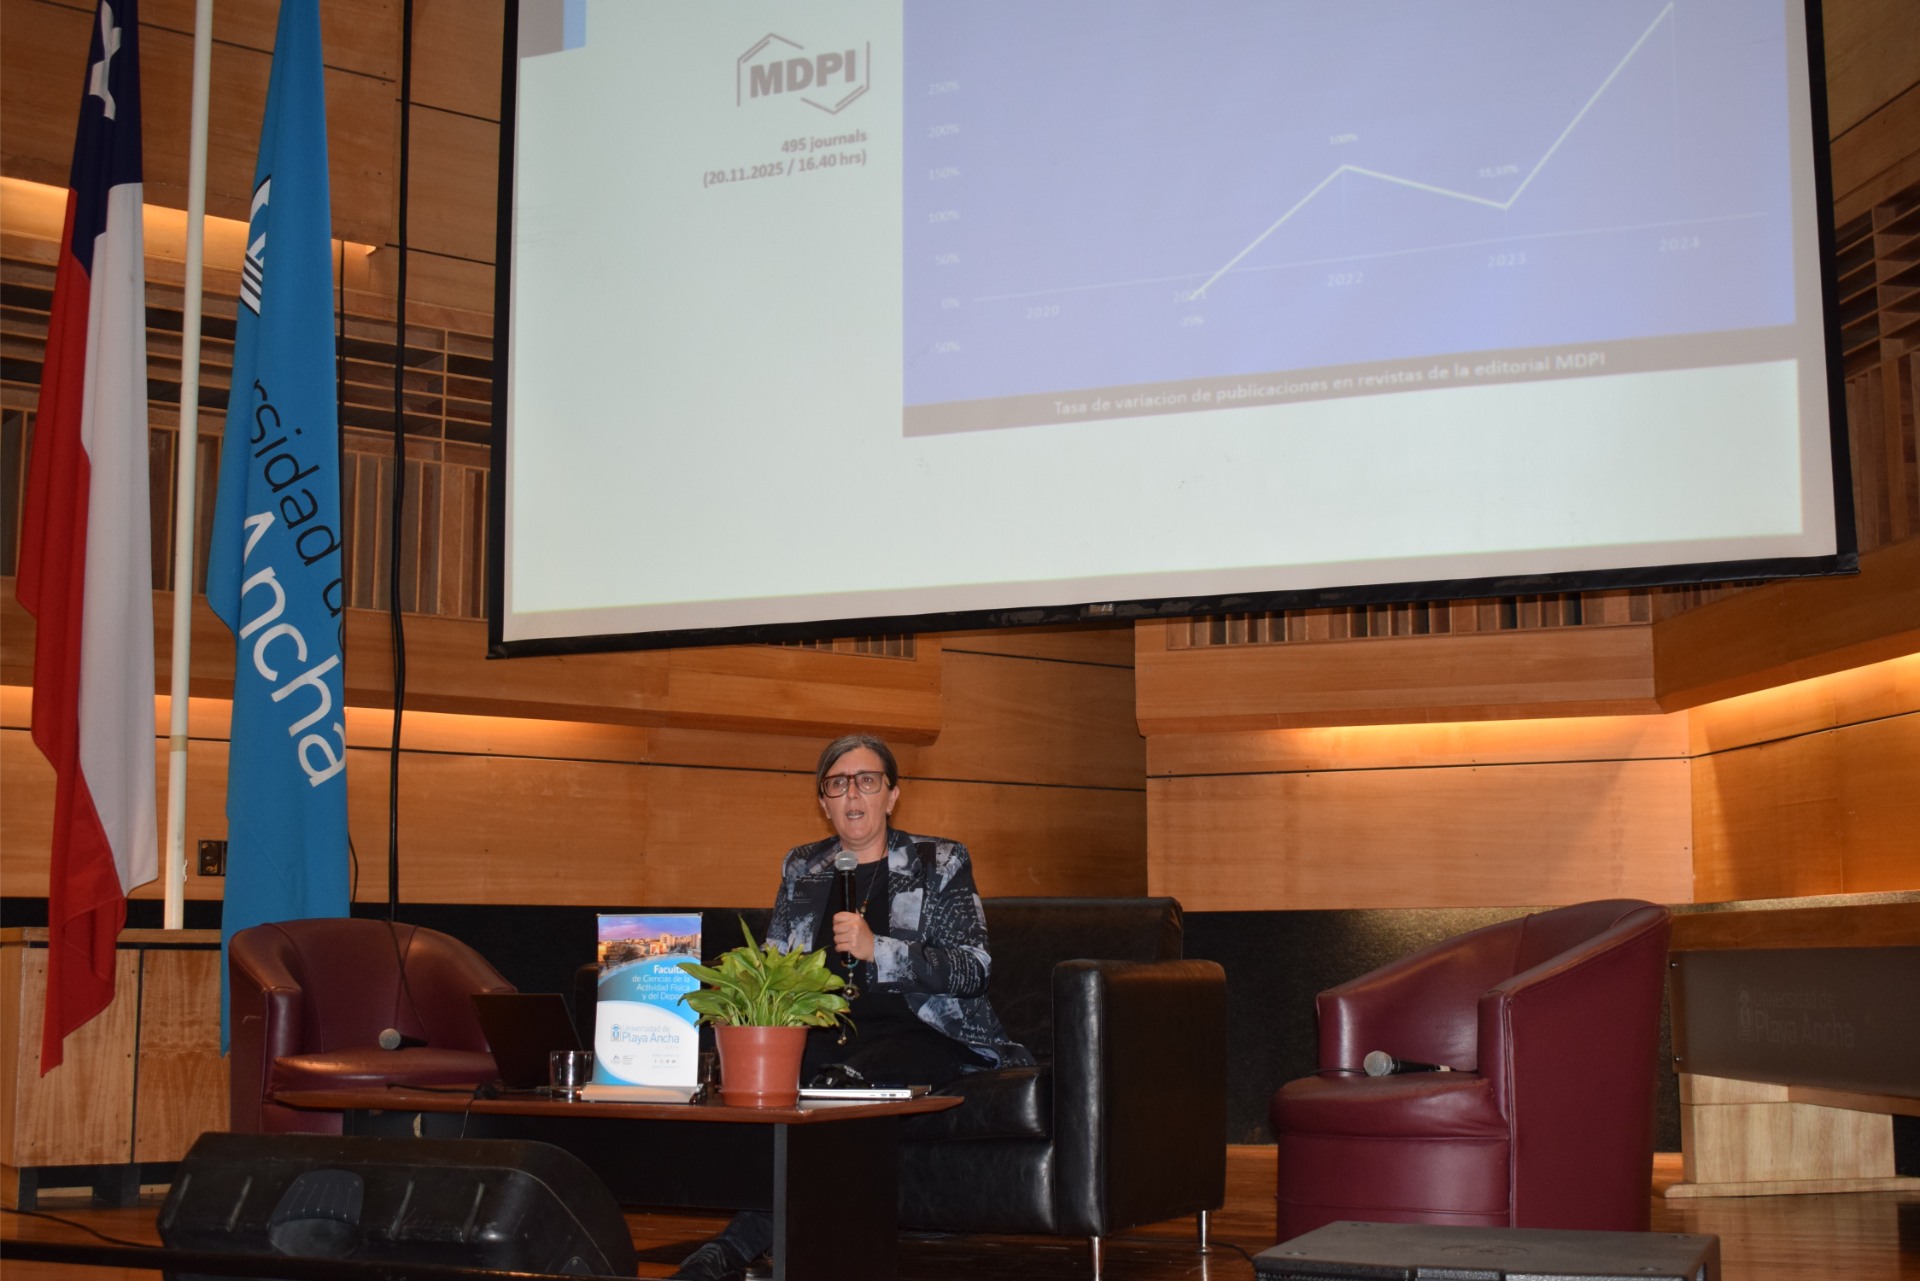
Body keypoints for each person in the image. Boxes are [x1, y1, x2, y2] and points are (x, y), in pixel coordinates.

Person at [671, 733, 1030, 1281]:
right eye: (837, 784)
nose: (852, 794)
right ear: (824, 801)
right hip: (830, 1033)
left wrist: (877, 948)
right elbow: (775, 964)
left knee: (840, 1085)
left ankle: (733, 1248)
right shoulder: (804, 866)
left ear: (891, 795)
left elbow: (973, 968)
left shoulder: (938, 861)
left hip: (924, 1033)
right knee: (776, 1079)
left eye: (867, 781)